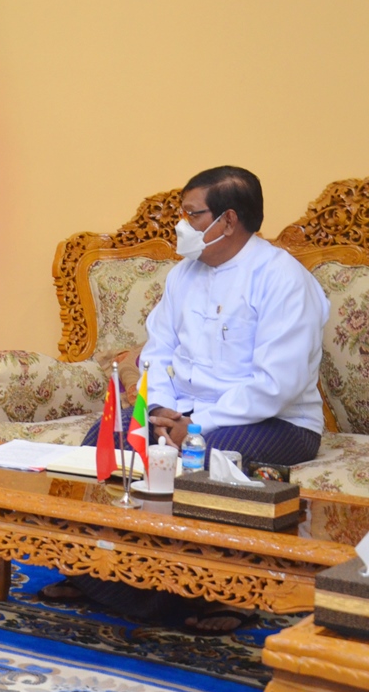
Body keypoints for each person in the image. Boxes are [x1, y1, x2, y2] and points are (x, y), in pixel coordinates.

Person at [68, 165, 330, 633]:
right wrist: (160, 410)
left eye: (192, 215)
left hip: (276, 422)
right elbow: (158, 353)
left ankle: (212, 594)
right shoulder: (182, 276)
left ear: (228, 220)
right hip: (182, 412)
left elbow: (276, 384)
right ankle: (104, 577)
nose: (181, 225)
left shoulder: (282, 279)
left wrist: (195, 424)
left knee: (203, 459)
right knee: (104, 440)